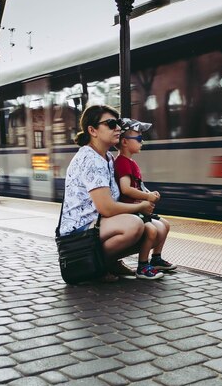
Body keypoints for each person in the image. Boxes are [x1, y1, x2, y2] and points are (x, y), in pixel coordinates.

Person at [59, 105, 163, 281]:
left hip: (98, 224)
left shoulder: (105, 157)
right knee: (134, 226)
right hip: (80, 232)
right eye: (111, 124)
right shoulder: (90, 159)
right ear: (92, 130)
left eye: (119, 124)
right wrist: (143, 206)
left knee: (156, 229)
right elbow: (106, 208)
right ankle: (97, 267)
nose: (118, 128)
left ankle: (110, 261)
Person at [114, 118, 178, 276]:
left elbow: (138, 186)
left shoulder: (131, 163)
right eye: (139, 138)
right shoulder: (122, 163)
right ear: (124, 142)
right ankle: (142, 266)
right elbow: (126, 189)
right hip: (130, 211)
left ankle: (156, 258)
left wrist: (149, 193)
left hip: (138, 209)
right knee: (151, 231)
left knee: (166, 225)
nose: (142, 141)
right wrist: (147, 196)